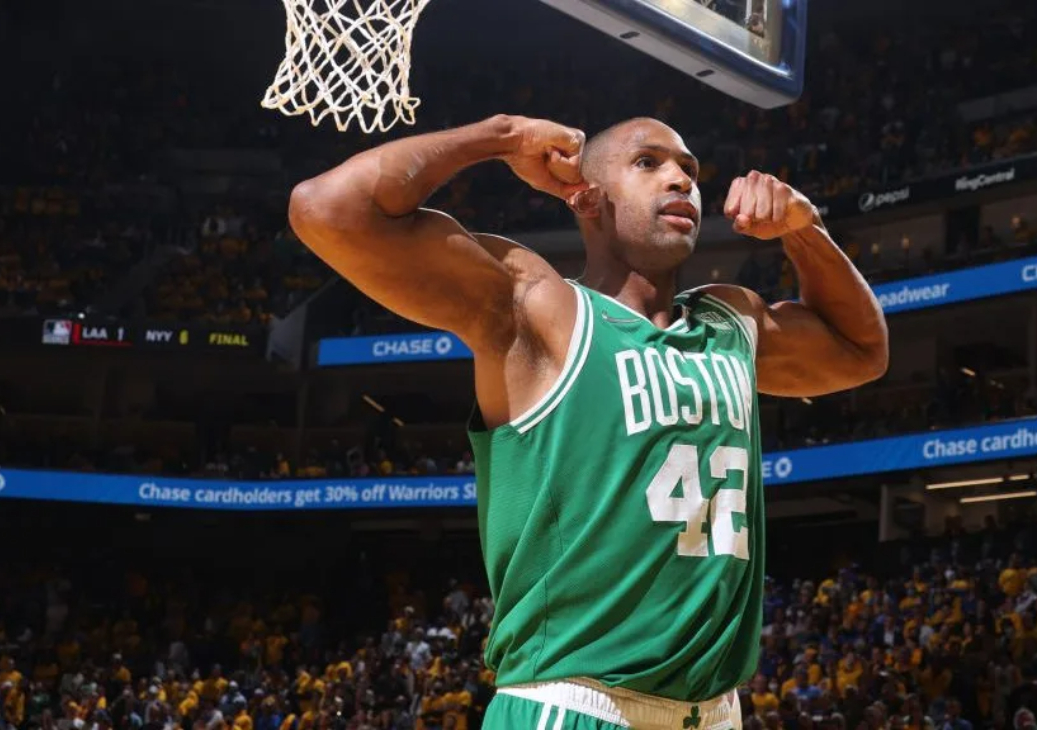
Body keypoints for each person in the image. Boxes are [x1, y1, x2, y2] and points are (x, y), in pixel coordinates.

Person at [289, 114, 888, 729]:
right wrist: (500, 138)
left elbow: (862, 352)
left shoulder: (731, 322)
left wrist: (805, 230)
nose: (681, 180)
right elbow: (326, 209)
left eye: (690, 169)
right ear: (585, 197)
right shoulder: (538, 307)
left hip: (715, 714)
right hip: (573, 704)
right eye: (649, 163)